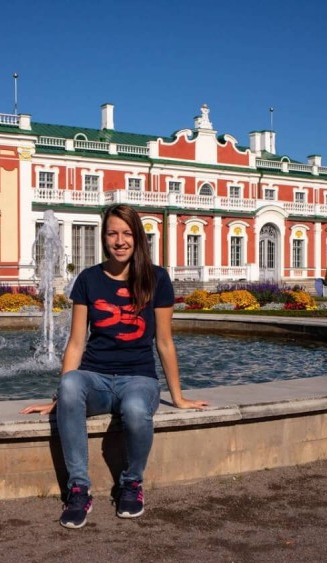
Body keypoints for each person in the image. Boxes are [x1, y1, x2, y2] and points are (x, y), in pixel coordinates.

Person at [22, 204, 208, 529]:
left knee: (137, 410)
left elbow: (164, 341)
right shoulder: (89, 279)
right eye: (112, 233)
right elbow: (76, 343)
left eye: (126, 233)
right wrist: (60, 397)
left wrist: (177, 397)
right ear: (104, 237)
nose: (119, 241)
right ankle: (79, 488)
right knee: (69, 386)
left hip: (138, 379)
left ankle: (132, 483)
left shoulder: (157, 279)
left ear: (137, 237)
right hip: (95, 378)